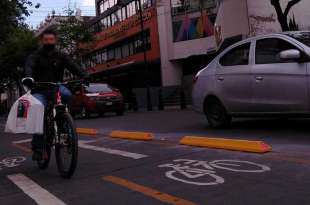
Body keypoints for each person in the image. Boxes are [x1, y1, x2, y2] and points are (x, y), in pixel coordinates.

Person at [24, 29, 89, 161]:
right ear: (42, 41)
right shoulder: (35, 56)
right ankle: (38, 148)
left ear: (55, 40)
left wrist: (84, 75)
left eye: (51, 40)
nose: (49, 42)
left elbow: (72, 65)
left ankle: (65, 122)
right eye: (46, 40)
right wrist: (29, 78)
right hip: (39, 89)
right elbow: (29, 67)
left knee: (68, 95)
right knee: (38, 109)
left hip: (56, 87)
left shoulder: (61, 56)